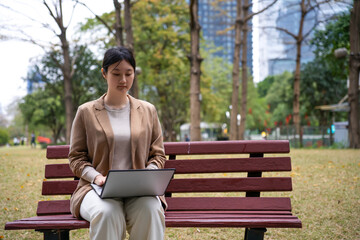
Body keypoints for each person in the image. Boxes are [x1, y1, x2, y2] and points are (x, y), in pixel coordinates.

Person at [68, 46, 166, 240]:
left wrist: (148, 175)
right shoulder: (86, 112)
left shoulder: (148, 110)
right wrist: (96, 177)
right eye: (116, 73)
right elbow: (76, 158)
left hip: (139, 191)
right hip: (96, 190)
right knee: (107, 213)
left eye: (128, 74)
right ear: (104, 73)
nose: (123, 80)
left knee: (151, 210)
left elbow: (158, 155)